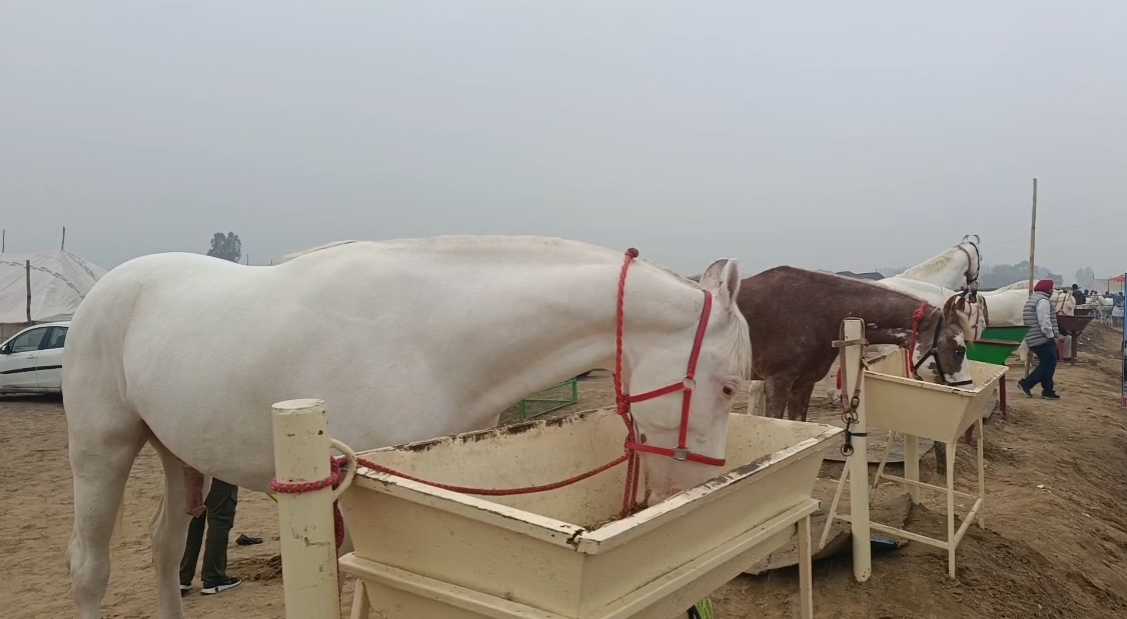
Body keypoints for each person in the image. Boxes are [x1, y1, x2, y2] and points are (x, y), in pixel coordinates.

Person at [179, 478, 243, 596]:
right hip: (218, 472)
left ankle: (181, 577)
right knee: (220, 518)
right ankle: (214, 577)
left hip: (191, 470)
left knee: (194, 517)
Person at [1017, 279, 1063, 400]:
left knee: (1048, 363)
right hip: (1042, 337)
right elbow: (1044, 321)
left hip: (1033, 336)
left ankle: (1048, 390)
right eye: (1051, 288)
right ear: (1047, 289)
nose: (1052, 291)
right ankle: (1026, 383)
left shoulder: (1033, 299)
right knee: (1048, 363)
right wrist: (1050, 336)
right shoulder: (1043, 301)